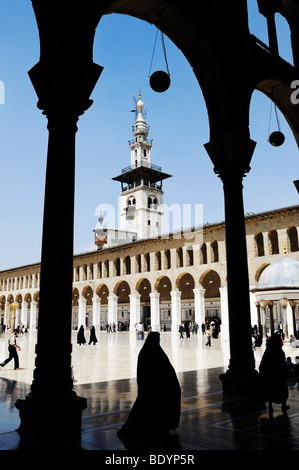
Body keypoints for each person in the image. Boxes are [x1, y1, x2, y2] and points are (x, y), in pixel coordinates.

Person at [117, 332, 181, 439]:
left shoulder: (147, 351)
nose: (158, 342)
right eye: (158, 340)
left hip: (152, 387)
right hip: (153, 387)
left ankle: (157, 427)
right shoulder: (152, 352)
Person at [259, 333, 289, 415]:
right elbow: (283, 364)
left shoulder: (268, 351)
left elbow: (263, 363)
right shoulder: (280, 352)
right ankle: (283, 404)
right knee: (282, 389)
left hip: (270, 375)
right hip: (279, 375)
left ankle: (270, 405)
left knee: (271, 390)